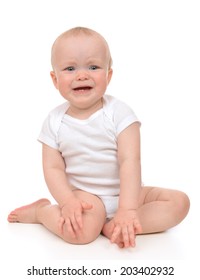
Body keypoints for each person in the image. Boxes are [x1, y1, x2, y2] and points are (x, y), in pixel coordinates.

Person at [7, 26, 190, 248]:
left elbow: (130, 161)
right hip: (86, 199)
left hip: (130, 193)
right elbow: (53, 169)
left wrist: (128, 209)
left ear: (108, 75)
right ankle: (41, 212)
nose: (82, 75)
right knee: (80, 233)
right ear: (55, 80)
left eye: (93, 67)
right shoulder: (54, 121)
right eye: (70, 68)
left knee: (179, 202)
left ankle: (119, 224)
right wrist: (68, 202)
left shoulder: (119, 113)